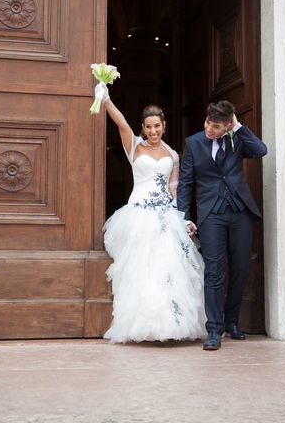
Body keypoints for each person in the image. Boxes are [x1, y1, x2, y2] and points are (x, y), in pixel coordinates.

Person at [94, 83, 206, 343]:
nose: (153, 131)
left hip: (166, 217)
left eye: (157, 126)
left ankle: (171, 325)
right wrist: (106, 99)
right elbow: (121, 123)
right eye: (148, 127)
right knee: (142, 269)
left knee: (169, 271)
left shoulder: (172, 155)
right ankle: (143, 325)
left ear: (163, 125)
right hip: (139, 215)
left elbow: (174, 189)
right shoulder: (135, 147)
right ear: (142, 128)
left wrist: (183, 217)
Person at [176, 100, 268, 351]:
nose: (209, 129)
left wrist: (237, 127)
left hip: (240, 212)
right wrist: (183, 217)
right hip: (211, 215)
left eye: (216, 126)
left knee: (240, 267)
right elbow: (185, 182)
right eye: (208, 123)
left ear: (228, 125)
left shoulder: (237, 138)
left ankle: (232, 321)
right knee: (214, 270)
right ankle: (214, 329)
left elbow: (260, 150)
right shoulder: (194, 143)